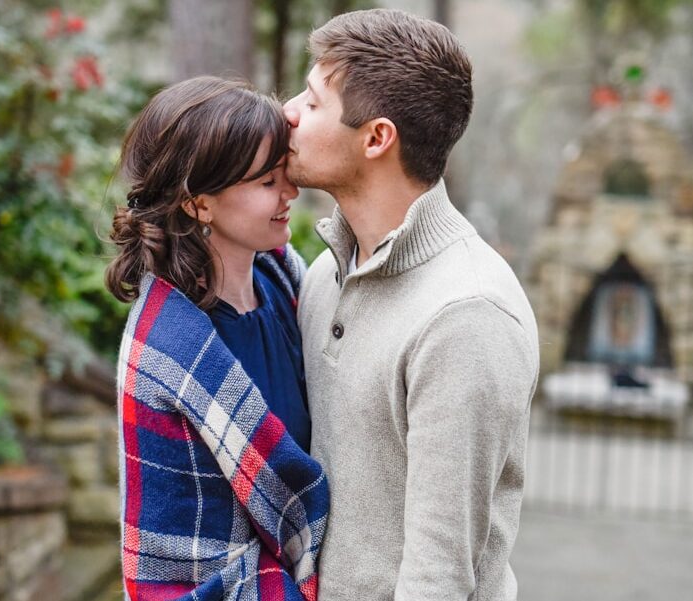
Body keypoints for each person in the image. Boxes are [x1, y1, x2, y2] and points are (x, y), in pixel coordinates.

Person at [283, 9, 539, 601]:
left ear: (376, 138)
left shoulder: (466, 315)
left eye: (315, 102)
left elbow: (439, 578)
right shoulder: (327, 271)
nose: (289, 111)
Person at [105, 76, 329, 601]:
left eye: (285, 172)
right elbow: (177, 563)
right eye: (267, 181)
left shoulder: (287, 282)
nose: (291, 193)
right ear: (199, 204)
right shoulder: (166, 351)